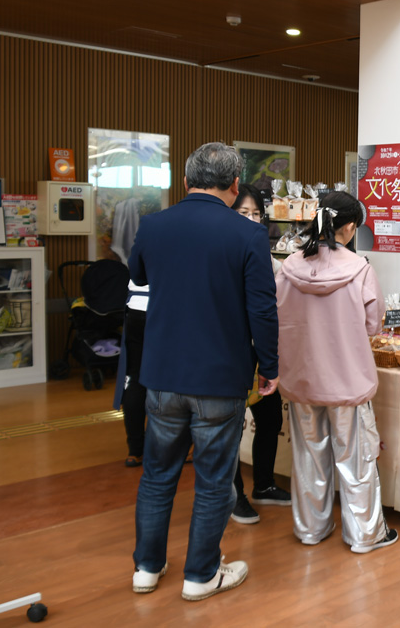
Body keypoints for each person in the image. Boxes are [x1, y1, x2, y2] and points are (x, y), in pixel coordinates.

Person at [128, 142, 279, 601]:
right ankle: (200, 575)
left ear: (187, 180)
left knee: (157, 475)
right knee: (214, 478)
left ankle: (146, 570)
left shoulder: (154, 226)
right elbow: (263, 310)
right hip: (220, 376)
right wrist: (269, 366)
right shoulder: (248, 235)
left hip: (163, 372)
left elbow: (138, 278)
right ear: (235, 186)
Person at [275, 190, 397, 553]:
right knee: (355, 458)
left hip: (301, 379)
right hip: (347, 380)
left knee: (308, 455)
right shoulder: (360, 269)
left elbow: (277, 316)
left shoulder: (288, 266)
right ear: (348, 227)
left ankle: (310, 528)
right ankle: (364, 534)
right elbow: (374, 325)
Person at [228, 184, 291, 523]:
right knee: (232, 427)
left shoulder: (264, 254)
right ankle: (235, 496)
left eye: (256, 214)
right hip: (236, 353)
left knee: (270, 419)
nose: (252, 220)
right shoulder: (225, 252)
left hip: (263, 353)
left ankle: (264, 484)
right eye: (244, 213)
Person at [114, 280, 149, 468]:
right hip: (163, 308)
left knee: (135, 378)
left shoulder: (142, 248)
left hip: (135, 308)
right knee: (168, 379)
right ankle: (173, 447)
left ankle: (135, 451)